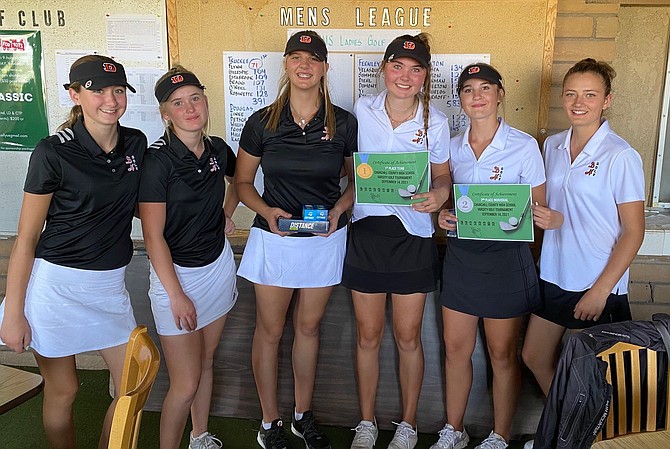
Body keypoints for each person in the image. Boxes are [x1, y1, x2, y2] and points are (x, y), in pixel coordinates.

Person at [0, 55, 146, 449]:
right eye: (97, 90)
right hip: (56, 286)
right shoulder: (52, 152)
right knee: (63, 390)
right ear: (75, 94)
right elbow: (27, 238)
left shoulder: (136, 143)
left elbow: (145, 206)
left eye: (118, 90)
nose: (110, 100)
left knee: (133, 383)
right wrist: (13, 313)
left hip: (110, 287)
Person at [235, 30, 357, 449]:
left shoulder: (343, 121)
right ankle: (269, 422)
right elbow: (244, 182)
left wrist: (339, 211)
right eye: (296, 57)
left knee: (308, 328)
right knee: (269, 330)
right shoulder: (262, 121)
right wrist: (266, 212)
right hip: (275, 239)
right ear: (286, 64)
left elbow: (358, 180)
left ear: (325, 67)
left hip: (324, 238)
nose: (304, 65)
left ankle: (302, 415)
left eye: (313, 58)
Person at [521, 59, 645, 446]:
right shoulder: (552, 145)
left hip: (595, 282)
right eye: (572, 93)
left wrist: (600, 291)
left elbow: (633, 231)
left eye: (590, 95)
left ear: (606, 101)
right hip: (554, 272)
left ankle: (582, 438)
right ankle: (569, 431)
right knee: (534, 356)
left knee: (586, 375)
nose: (579, 102)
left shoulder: (621, 155)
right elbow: (550, 208)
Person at [433, 63, 553, 449]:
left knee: (503, 355)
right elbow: (445, 203)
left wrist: (530, 217)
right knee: (455, 350)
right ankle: (454, 430)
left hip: (505, 263)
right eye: (468, 90)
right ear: (461, 100)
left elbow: (539, 210)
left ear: (500, 94)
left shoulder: (523, 145)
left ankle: (500, 435)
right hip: (462, 259)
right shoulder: (450, 146)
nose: (478, 96)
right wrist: (443, 216)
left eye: (486, 88)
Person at [342, 33, 452, 449]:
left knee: (408, 336)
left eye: (416, 68)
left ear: (425, 76)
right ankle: (366, 422)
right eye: (398, 66)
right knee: (367, 336)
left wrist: (440, 195)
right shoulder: (361, 109)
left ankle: (407, 424)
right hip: (367, 232)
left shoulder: (435, 120)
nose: (405, 76)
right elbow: (351, 169)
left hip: (414, 236)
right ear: (384, 68)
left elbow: (442, 175)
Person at [138, 67, 238, 449]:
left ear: (206, 101)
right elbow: (153, 236)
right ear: (166, 114)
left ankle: (199, 436)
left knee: (206, 362)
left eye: (195, 98)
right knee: (184, 382)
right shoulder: (157, 160)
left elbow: (240, 181)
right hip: (175, 277)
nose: (190, 107)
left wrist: (225, 212)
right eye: (178, 103)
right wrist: (176, 294)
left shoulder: (216, 148)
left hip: (217, 266)